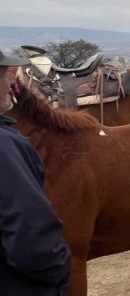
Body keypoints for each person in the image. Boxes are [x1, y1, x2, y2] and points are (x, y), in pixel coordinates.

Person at [0, 50, 72, 295]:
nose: (13, 81)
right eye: (4, 74)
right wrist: (60, 278)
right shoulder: (6, 147)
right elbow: (34, 242)